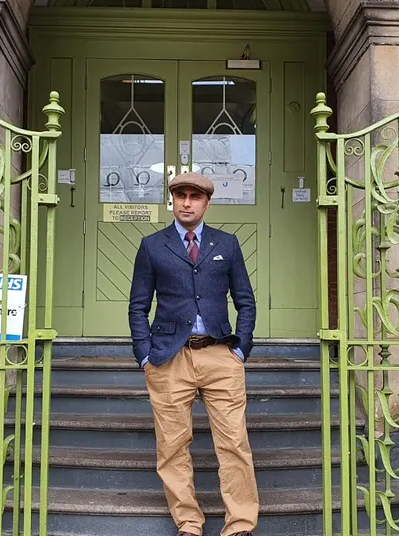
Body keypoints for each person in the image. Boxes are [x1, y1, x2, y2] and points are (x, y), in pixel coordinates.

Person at [128, 171, 259, 536]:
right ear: (172, 200)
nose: (186, 202)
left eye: (194, 197)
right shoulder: (153, 246)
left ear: (207, 203)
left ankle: (241, 523)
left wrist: (242, 350)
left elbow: (245, 301)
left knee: (234, 442)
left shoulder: (227, 244)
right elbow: (138, 306)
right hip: (169, 357)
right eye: (180, 195)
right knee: (172, 445)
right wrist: (144, 355)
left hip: (220, 355)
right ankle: (188, 522)